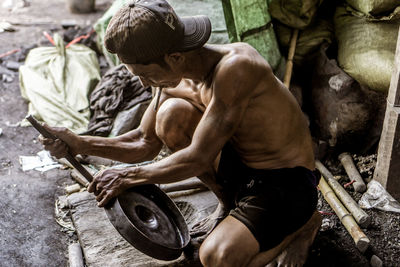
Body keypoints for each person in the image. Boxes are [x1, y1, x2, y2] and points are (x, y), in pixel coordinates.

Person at [39, 0, 321, 266]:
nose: (143, 82)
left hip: (286, 179)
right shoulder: (168, 77)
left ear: (174, 57)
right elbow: (144, 142)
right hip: (241, 168)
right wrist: (78, 143)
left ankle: (303, 225)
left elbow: (198, 158)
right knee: (170, 116)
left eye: (145, 75)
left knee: (215, 258)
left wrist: (128, 175)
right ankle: (227, 202)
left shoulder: (236, 68)